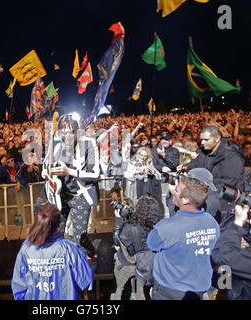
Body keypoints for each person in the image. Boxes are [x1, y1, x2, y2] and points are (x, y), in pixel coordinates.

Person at [147, 175, 220, 300]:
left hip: (169, 290)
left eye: (176, 190)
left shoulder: (167, 228)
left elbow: (151, 243)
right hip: (199, 289)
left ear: (185, 200)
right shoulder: (212, 222)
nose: (172, 191)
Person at [11, 203, 93, 300]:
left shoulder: (26, 248)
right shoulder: (70, 249)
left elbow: (18, 286)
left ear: (38, 222)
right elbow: (85, 283)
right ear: (59, 225)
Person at [43, 113, 100, 245]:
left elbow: (95, 174)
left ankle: (80, 260)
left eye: (72, 131)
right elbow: (45, 166)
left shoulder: (88, 144)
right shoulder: (57, 143)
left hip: (80, 195)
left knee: (79, 239)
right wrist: (46, 172)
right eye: (64, 132)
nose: (68, 136)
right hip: (61, 195)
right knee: (57, 236)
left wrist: (69, 171)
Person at [110, 193, 164, 300]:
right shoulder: (160, 226)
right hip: (150, 268)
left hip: (129, 265)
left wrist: (119, 220)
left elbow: (117, 241)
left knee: (120, 291)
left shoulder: (130, 228)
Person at [151, 132, 180, 217]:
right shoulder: (154, 150)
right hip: (157, 180)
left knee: (170, 202)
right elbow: (153, 165)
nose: (164, 141)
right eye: (162, 140)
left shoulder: (175, 151)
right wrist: (161, 168)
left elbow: (174, 164)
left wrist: (164, 155)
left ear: (170, 141)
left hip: (170, 181)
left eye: (166, 140)